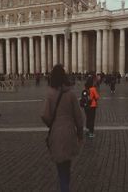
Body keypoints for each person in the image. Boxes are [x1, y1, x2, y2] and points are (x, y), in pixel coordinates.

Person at [42, 64, 84, 192]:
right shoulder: (70, 94)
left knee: (60, 167)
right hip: (69, 132)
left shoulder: (50, 94)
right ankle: (65, 188)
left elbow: (44, 115)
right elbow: (79, 117)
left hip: (56, 133)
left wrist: (51, 124)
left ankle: (64, 188)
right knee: (67, 165)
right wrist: (80, 134)